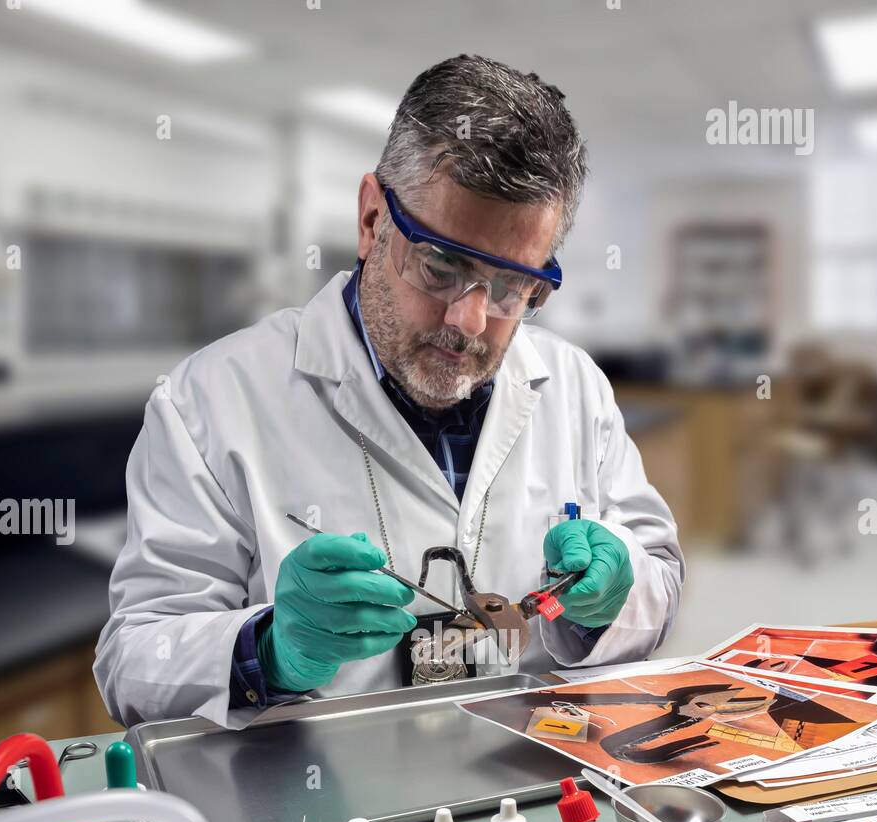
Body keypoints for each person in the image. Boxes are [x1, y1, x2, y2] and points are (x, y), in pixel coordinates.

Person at [95, 55, 685, 730]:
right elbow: (131, 663)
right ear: (372, 219)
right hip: (317, 813)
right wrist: (270, 651)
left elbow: (659, 584)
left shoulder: (574, 385)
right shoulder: (207, 400)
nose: (468, 321)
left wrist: (616, 594)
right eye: (440, 264)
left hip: (530, 787)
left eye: (510, 286)